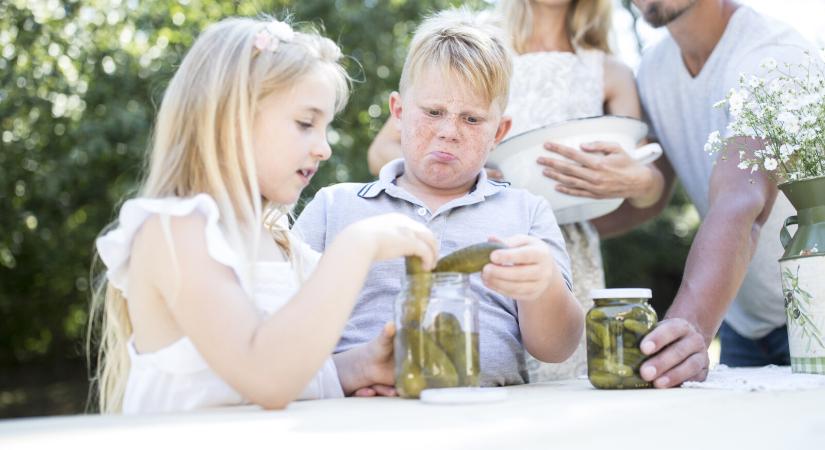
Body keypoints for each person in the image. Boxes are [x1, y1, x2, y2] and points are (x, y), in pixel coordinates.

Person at [88, 17, 438, 414]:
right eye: (306, 123)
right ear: (229, 119)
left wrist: (357, 367)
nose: (324, 148)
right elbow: (267, 378)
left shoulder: (282, 245)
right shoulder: (175, 233)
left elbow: (282, 374)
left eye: (325, 127)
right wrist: (358, 245)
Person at [366, 0, 665, 382]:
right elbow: (382, 151)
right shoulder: (477, 44)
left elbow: (648, 183)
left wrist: (637, 180)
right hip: (475, 231)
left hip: (568, 252)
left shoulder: (611, 71)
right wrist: (471, 173)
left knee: (561, 389)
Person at [295, 9, 583, 391]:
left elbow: (557, 347)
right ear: (398, 112)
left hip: (490, 416)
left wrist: (543, 285)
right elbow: (277, 325)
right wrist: (350, 369)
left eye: (472, 120)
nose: (449, 132)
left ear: (500, 131)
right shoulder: (334, 207)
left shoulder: (526, 212)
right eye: (433, 112)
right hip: (357, 412)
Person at [546, 0, 816, 386]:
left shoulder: (771, 56)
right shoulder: (654, 69)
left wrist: (687, 326)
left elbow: (742, 201)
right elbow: (649, 195)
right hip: (742, 322)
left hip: (815, 316)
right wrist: (538, 227)